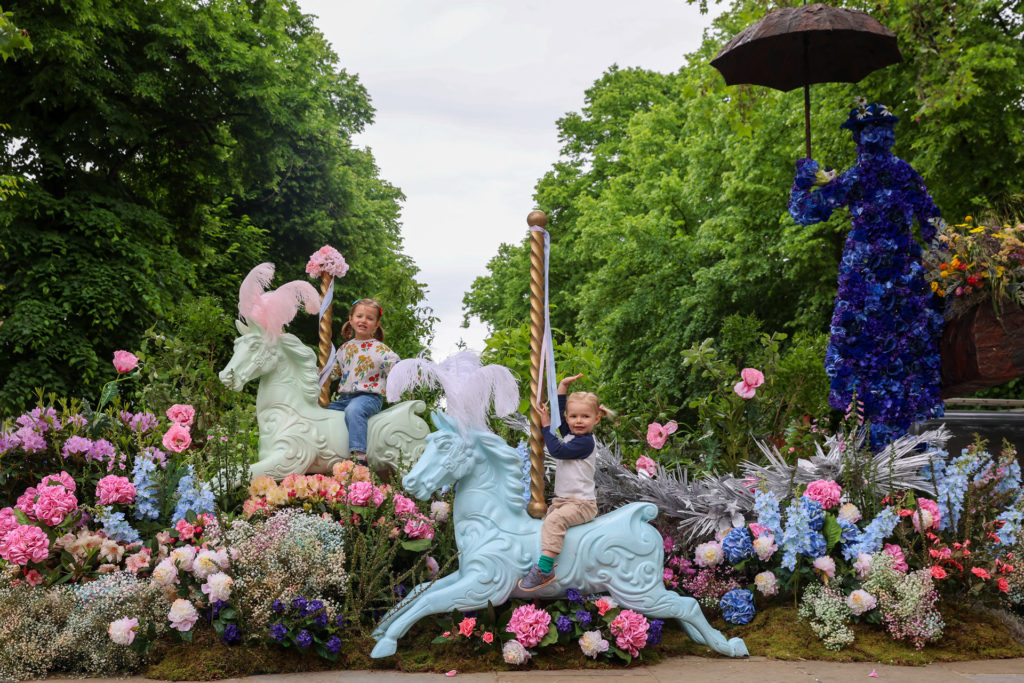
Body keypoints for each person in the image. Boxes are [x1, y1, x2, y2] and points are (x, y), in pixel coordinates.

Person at [788, 101, 944, 449]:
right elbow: (934, 227)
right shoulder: (902, 173)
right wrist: (952, 266)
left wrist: (803, 179)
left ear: (858, 139)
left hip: (872, 286)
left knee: (873, 365)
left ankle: (884, 457)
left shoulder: (856, 178)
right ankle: (895, 456)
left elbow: (803, 212)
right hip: (898, 283)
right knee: (897, 365)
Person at [519, 373, 610, 591]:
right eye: (574, 416)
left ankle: (544, 571)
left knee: (554, 522)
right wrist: (562, 388)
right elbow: (561, 414)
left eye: (585, 417)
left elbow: (557, 450)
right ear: (568, 418)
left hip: (581, 504)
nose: (579, 421)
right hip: (564, 501)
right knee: (546, 524)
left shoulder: (585, 442)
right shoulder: (572, 434)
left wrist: (546, 426)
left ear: (596, 418)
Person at [327, 298, 400, 463]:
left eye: (369, 318)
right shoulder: (344, 349)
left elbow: (394, 367)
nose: (363, 320)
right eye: (359, 316)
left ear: (376, 325)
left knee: (354, 410)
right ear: (351, 320)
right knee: (321, 409)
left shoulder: (380, 349)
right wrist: (320, 374)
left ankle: (359, 454)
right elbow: (335, 372)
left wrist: (404, 372)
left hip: (368, 397)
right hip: (344, 399)